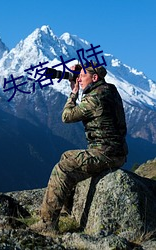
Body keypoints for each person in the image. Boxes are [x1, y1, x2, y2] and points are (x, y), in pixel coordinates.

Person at [30, 62, 128, 233]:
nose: (79, 79)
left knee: (63, 168)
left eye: (83, 76)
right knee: (67, 156)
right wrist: (82, 72)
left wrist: (73, 93)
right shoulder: (109, 90)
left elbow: (66, 117)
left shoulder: (94, 99)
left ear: (95, 78)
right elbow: (94, 87)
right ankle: (68, 210)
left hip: (105, 153)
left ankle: (47, 224)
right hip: (116, 151)